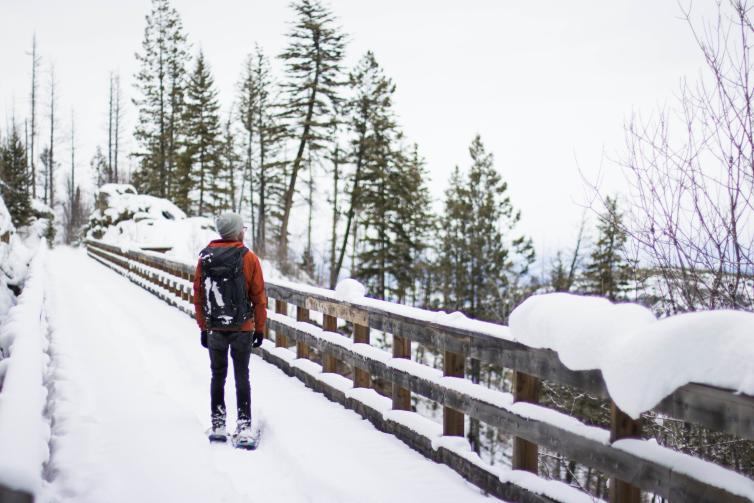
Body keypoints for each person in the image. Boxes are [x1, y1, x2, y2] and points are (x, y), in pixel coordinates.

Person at [193, 212, 266, 443]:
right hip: (242, 327)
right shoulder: (249, 258)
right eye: (242, 228)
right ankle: (244, 426)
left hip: (215, 327)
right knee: (241, 376)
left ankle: (218, 424)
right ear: (236, 231)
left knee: (218, 375)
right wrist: (260, 328)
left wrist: (203, 327)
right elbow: (259, 297)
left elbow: (199, 295)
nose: (244, 231)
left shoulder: (206, 257)